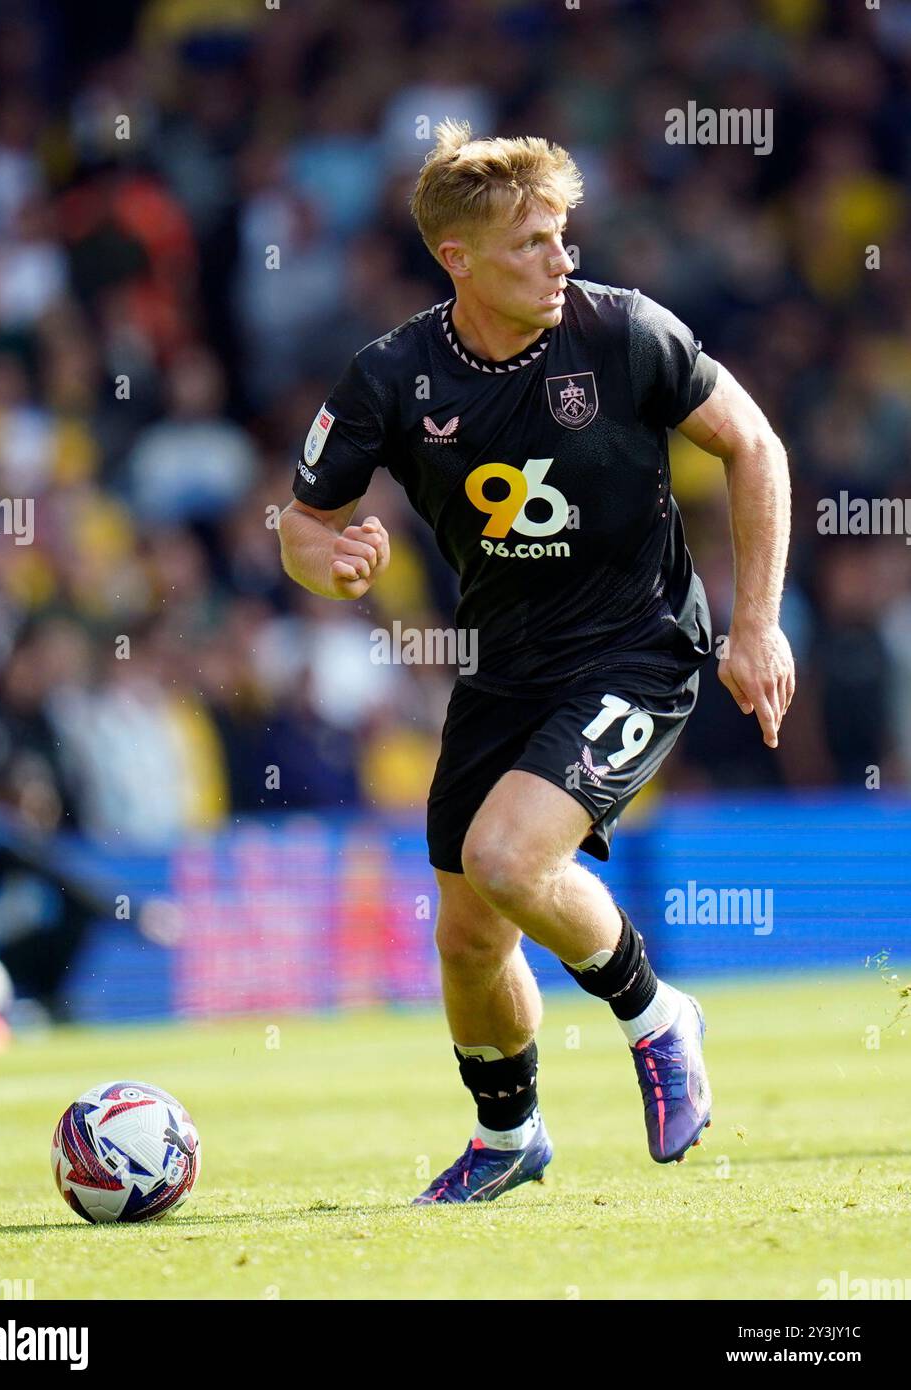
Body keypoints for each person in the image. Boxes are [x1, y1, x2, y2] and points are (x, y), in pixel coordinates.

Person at [278, 120, 795, 1203]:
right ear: (455, 258)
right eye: (529, 244)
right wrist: (329, 562)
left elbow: (753, 445)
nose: (560, 260)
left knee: (512, 860)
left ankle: (658, 1015)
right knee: (467, 933)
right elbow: (301, 522)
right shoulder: (390, 376)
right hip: (501, 665)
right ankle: (509, 1139)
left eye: (561, 236)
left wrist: (754, 625)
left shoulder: (622, 335)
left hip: (638, 647)